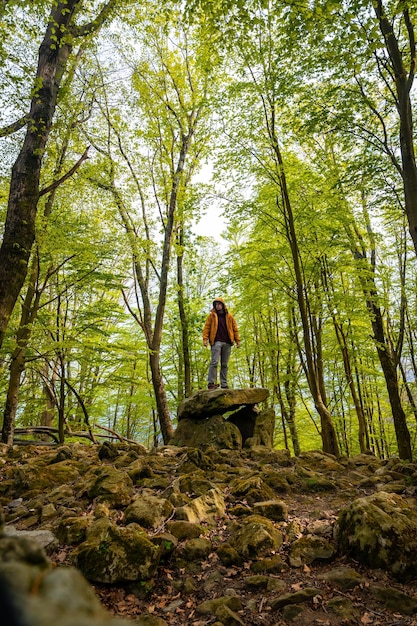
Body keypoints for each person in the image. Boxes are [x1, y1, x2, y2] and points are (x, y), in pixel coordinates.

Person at [202, 297, 240, 389]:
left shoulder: (229, 317)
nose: (217, 306)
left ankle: (224, 384)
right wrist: (205, 339)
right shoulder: (211, 316)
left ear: (223, 305)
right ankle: (211, 383)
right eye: (216, 304)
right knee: (214, 362)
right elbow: (207, 328)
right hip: (216, 342)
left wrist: (237, 341)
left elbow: (235, 329)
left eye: (219, 304)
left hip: (227, 342)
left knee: (224, 364)